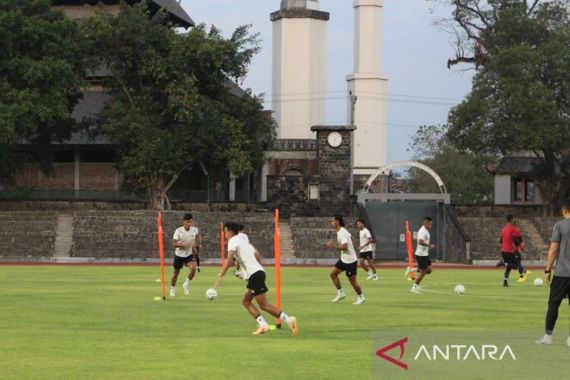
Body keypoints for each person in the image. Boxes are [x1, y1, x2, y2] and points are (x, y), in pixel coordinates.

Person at [216, 222, 298, 336]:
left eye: (225, 232)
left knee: (263, 305)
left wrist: (222, 273)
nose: (225, 234)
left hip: (255, 275)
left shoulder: (233, 240)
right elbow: (258, 256)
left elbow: (230, 259)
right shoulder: (243, 241)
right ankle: (263, 325)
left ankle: (289, 319)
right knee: (246, 301)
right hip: (255, 274)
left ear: (230, 232)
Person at [536, 199, 570, 346]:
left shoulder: (560, 225)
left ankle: (548, 337)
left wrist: (547, 270)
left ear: (565, 210)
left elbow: (553, 250)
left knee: (554, 304)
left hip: (562, 273)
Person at [325, 215, 366, 304]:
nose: (331, 223)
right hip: (344, 259)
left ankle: (361, 297)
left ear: (337, 222)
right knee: (333, 274)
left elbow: (345, 247)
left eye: (333, 221)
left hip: (350, 260)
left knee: (352, 281)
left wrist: (332, 245)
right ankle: (341, 293)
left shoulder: (341, 233)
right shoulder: (342, 231)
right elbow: (351, 237)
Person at [170, 213, 199, 297]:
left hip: (188, 255)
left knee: (194, 268)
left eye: (190, 222)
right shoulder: (178, 231)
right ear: (183, 222)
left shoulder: (195, 230)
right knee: (176, 273)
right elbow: (174, 244)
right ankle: (172, 288)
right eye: (187, 222)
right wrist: (184, 245)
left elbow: (196, 237)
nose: (189, 224)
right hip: (179, 255)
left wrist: (195, 246)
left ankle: (186, 284)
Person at [499, 215, 529, 287]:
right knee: (516, 266)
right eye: (514, 219)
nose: (515, 220)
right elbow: (519, 241)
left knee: (509, 267)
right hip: (510, 251)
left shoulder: (503, 229)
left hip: (503, 251)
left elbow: (501, 241)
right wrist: (520, 248)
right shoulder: (514, 229)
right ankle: (503, 263)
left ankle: (505, 282)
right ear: (512, 220)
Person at [410, 217, 435, 294]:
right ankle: (414, 286)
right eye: (430, 224)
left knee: (429, 270)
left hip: (425, 254)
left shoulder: (426, 231)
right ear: (426, 223)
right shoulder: (422, 231)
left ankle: (413, 269)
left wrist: (427, 247)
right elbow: (420, 242)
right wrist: (429, 245)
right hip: (421, 255)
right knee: (424, 271)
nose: (431, 225)